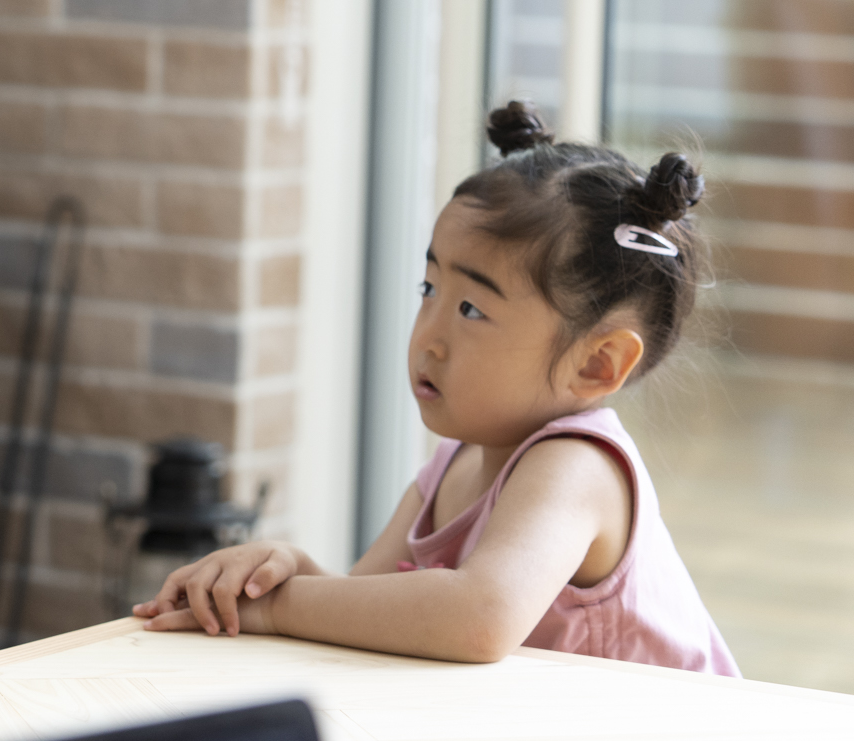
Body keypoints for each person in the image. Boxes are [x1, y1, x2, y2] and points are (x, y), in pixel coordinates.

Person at [136, 102, 737, 675]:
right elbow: (376, 607)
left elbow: (478, 616)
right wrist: (287, 572)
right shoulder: (456, 462)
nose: (429, 338)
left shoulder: (577, 466)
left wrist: (279, 608)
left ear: (598, 364)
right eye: (428, 291)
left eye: (472, 309)